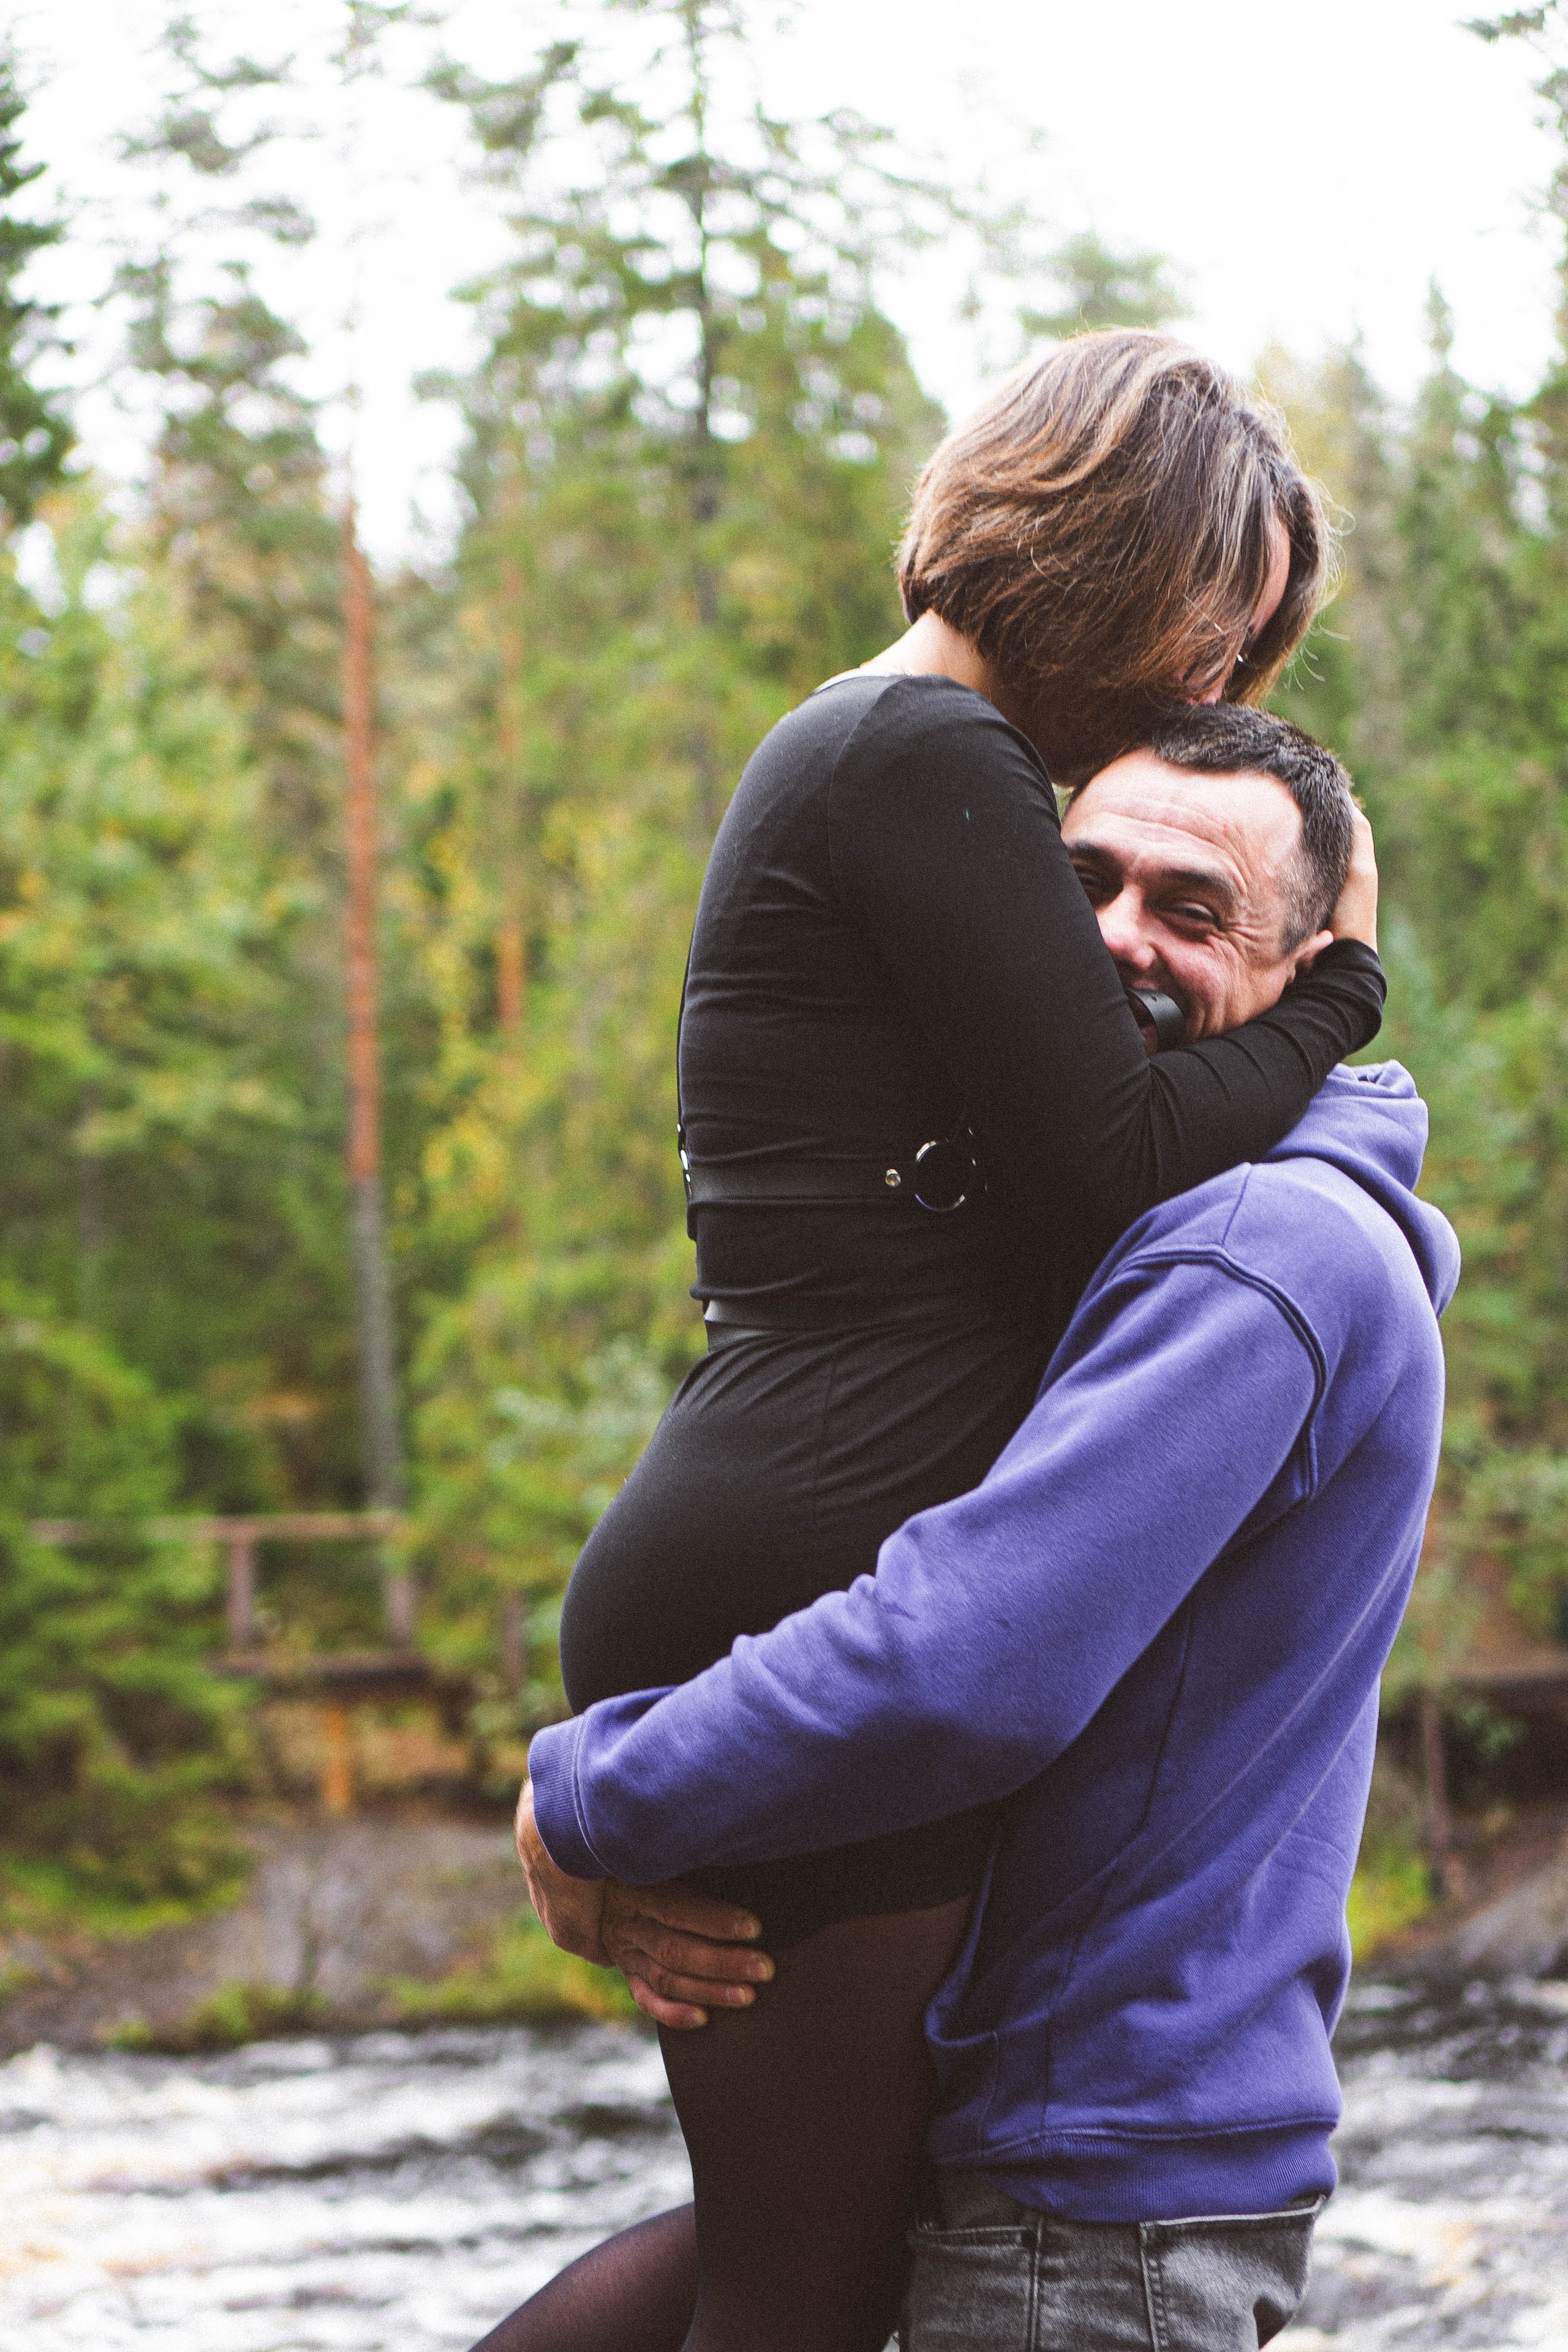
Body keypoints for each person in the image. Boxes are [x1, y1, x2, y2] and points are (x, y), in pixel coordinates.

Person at [470, 335, 1387, 2352]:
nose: (1212, 695)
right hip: (804, 1574)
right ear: (1115, 554)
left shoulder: (889, 760)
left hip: (784, 1535)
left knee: (807, 2247)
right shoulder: (922, 757)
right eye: (1209, 640)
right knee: (805, 2279)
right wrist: (1342, 991)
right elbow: (1122, 1158)